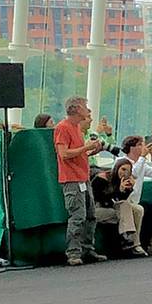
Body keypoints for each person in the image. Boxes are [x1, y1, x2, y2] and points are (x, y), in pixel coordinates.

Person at [54, 97, 107, 267]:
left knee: (90, 215)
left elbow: (76, 154)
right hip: (71, 179)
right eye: (85, 106)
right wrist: (86, 148)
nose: (88, 110)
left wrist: (90, 151)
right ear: (77, 109)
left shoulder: (77, 127)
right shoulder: (63, 128)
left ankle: (87, 248)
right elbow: (64, 154)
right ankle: (73, 252)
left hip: (83, 178)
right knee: (77, 216)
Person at [92, 158, 147, 255]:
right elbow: (103, 200)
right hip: (97, 210)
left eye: (128, 171)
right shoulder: (101, 179)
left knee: (138, 209)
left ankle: (134, 241)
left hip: (114, 209)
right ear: (117, 168)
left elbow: (120, 200)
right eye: (123, 169)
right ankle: (127, 237)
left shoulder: (121, 181)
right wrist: (118, 191)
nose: (124, 173)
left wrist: (127, 190)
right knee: (125, 210)